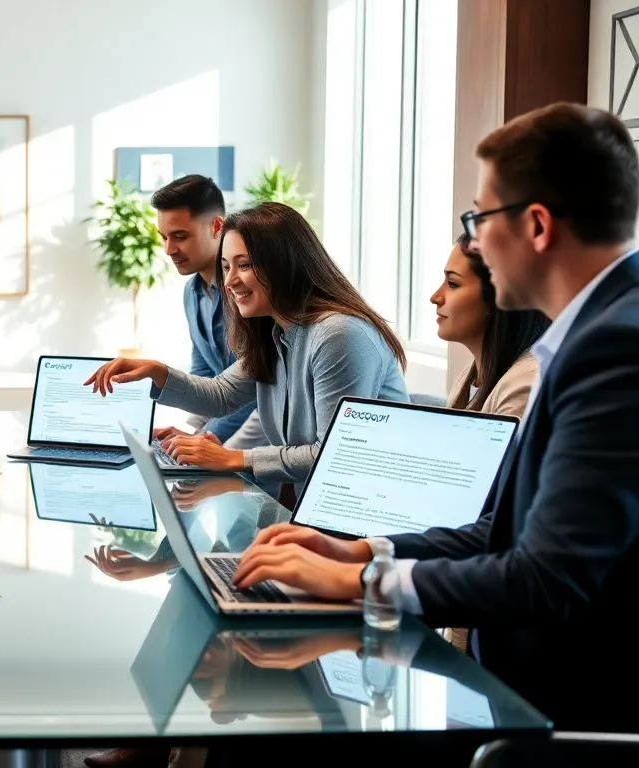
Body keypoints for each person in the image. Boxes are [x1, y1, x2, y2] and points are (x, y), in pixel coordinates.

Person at [235, 102, 639, 735]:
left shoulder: (616, 347)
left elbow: (548, 575)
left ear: (536, 225)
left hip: (559, 718)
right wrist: (361, 549)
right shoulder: (590, 335)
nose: (473, 241)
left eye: (478, 219)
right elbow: (502, 530)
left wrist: (364, 581)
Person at [86, 202, 408, 498]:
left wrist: (232, 458)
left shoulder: (338, 334)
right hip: (315, 504)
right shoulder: (274, 330)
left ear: (285, 264)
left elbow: (333, 454)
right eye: (226, 267)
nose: (229, 282)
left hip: (368, 516)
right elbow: (221, 395)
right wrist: (157, 372)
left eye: (244, 265)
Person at [145, 175, 264, 450]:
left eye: (180, 236)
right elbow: (204, 375)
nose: (168, 249)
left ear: (217, 226)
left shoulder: (249, 294)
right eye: (164, 237)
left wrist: (211, 444)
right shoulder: (192, 293)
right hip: (223, 444)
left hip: (258, 447)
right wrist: (191, 432)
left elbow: (258, 391)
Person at [430, 233, 548, 416]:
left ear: (499, 297)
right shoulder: (470, 377)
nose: (435, 297)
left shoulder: (524, 384)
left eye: (453, 283)